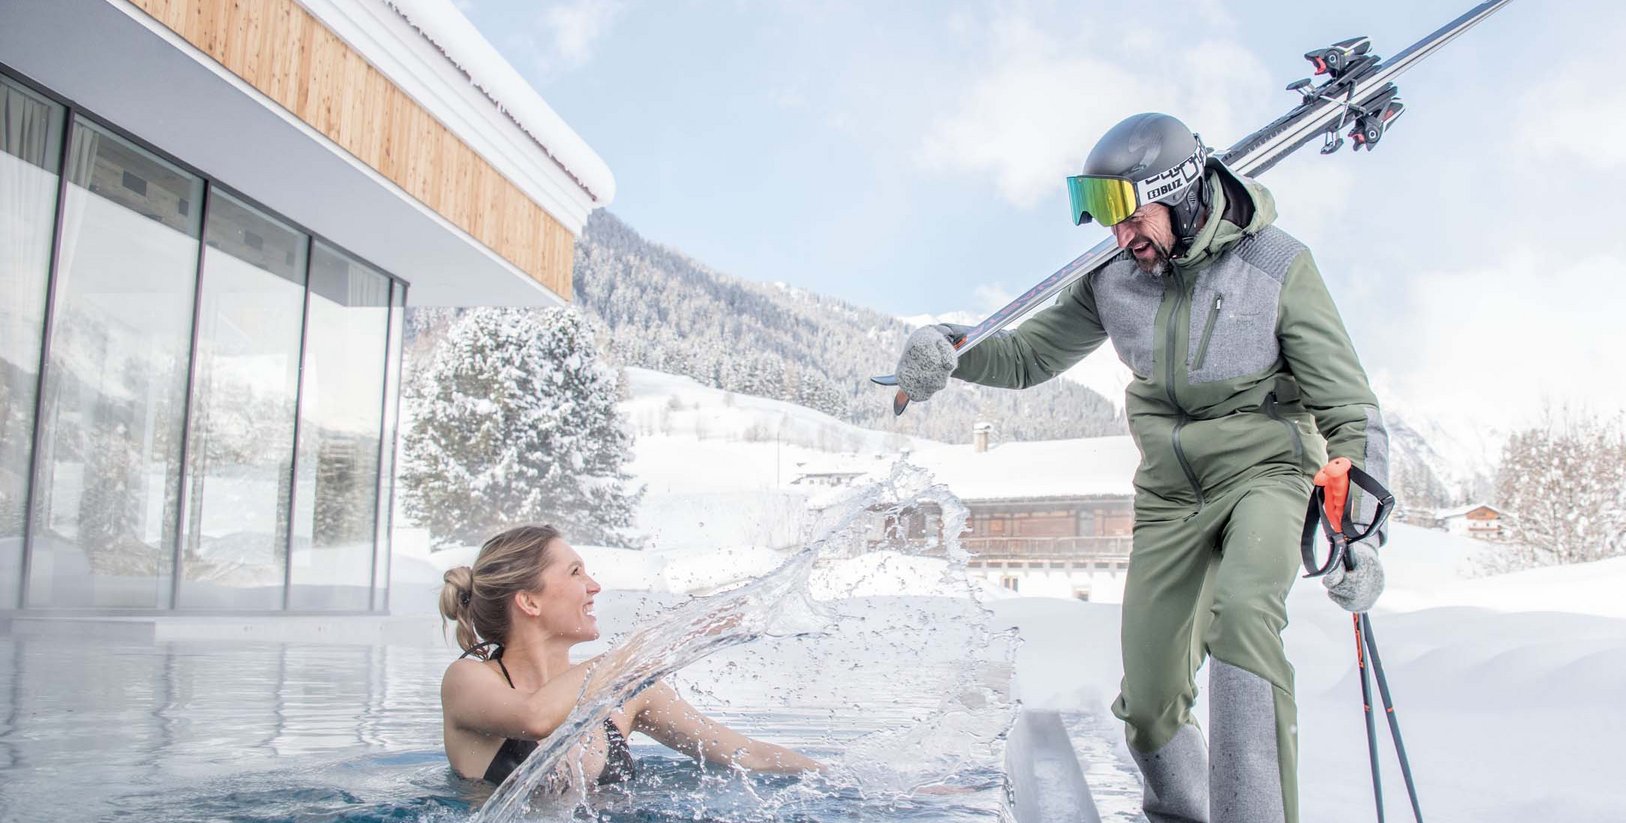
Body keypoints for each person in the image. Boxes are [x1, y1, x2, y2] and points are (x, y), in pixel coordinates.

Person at [893, 112, 1389, 823]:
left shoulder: (1276, 267)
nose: (1119, 236)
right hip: (1168, 495)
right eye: (1105, 219)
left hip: (1266, 474)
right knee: (1152, 698)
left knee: (1244, 617)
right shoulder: (1115, 277)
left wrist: (1363, 534)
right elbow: (1031, 354)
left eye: (1129, 215)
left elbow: (1349, 405)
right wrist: (952, 351)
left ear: (1180, 192)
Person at [438, 524, 822, 786]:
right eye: (575, 573)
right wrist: (647, 646)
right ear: (528, 602)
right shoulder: (469, 681)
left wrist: (840, 778)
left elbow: (747, 754)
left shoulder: (630, 693)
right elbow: (535, 718)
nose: (594, 586)